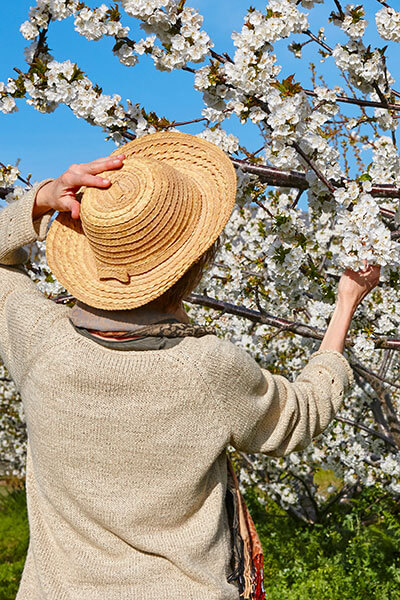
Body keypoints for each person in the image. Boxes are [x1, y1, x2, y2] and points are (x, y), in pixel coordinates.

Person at [0, 131, 379, 600]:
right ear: (194, 260)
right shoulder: (206, 368)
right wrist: (345, 304)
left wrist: (40, 200)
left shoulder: (36, 337)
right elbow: (301, 415)